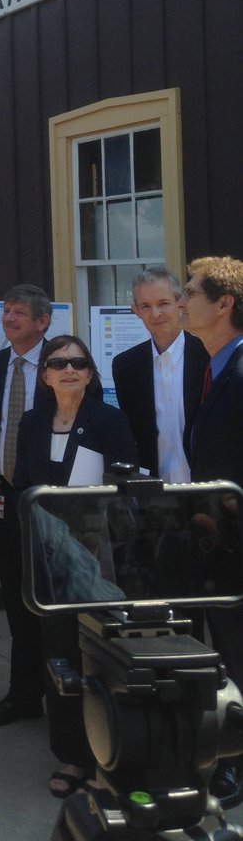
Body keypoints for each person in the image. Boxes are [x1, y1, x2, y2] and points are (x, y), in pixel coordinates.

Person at [13, 335, 136, 798]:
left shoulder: (109, 420)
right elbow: (24, 483)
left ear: (89, 373)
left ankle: (110, 753)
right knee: (60, 654)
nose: (69, 370)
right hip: (48, 555)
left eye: (78, 363)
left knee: (101, 656)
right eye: (58, 363)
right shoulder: (31, 422)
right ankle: (72, 754)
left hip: (96, 558)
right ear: (44, 375)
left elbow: (126, 481)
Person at [178, 256, 243, 809]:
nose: (182, 300)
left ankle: (238, 766)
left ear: (224, 304)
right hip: (217, 540)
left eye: (191, 292)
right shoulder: (213, 363)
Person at [0, 284, 51, 726]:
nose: (10, 319)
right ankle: (23, 695)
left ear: (43, 322)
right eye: (6, 311)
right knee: (15, 602)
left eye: (20, 312)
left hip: (47, 505)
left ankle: (62, 698)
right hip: (5, 500)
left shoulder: (63, 363)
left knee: (50, 605)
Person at [112, 266, 208, 480]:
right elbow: (135, 434)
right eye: (146, 306)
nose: (156, 314)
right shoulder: (126, 366)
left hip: (208, 489)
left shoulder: (208, 356)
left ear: (180, 304)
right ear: (135, 310)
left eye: (163, 303)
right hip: (154, 493)